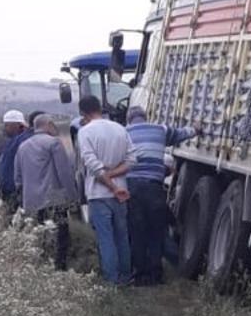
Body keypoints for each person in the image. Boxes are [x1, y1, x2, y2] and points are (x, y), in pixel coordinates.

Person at [124, 105, 196, 286]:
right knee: (156, 231)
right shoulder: (160, 130)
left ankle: (139, 275)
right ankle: (156, 275)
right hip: (154, 188)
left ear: (129, 119)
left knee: (137, 231)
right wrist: (195, 129)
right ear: (146, 116)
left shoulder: (124, 133)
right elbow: (181, 134)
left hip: (132, 187)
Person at [75, 95, 133, 285]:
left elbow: (93, 166)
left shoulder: (85, 132)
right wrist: (116, 182)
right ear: (100, 107)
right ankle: (126, 276)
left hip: (99, 194)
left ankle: (112, 280)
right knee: (122, 237)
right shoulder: (120, 128)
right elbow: (132, 160)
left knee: (106, 238)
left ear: (82, 112)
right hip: (122, 193)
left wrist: (111, 186)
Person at [14, 114, 78, 270]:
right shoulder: (53, 143)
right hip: (54, 198)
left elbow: (18, 178)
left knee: (40, 235)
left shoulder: (23, 146)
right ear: (48, 124)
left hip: (31, 201)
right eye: (53, 124)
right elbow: (64, 173)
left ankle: (42, 267)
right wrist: (73, 197)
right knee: (60, 235)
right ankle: (60, 268)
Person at [0, 110, 42, 211]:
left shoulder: (14, 139)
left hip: (10, 189)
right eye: (20, 126)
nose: (22, 129)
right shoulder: (22, 140)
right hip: (15, 190)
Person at [0, 110, 26, 195]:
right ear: (11, 125)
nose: (22, 129)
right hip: (3, 186)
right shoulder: (4, 141)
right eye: (20, 126)